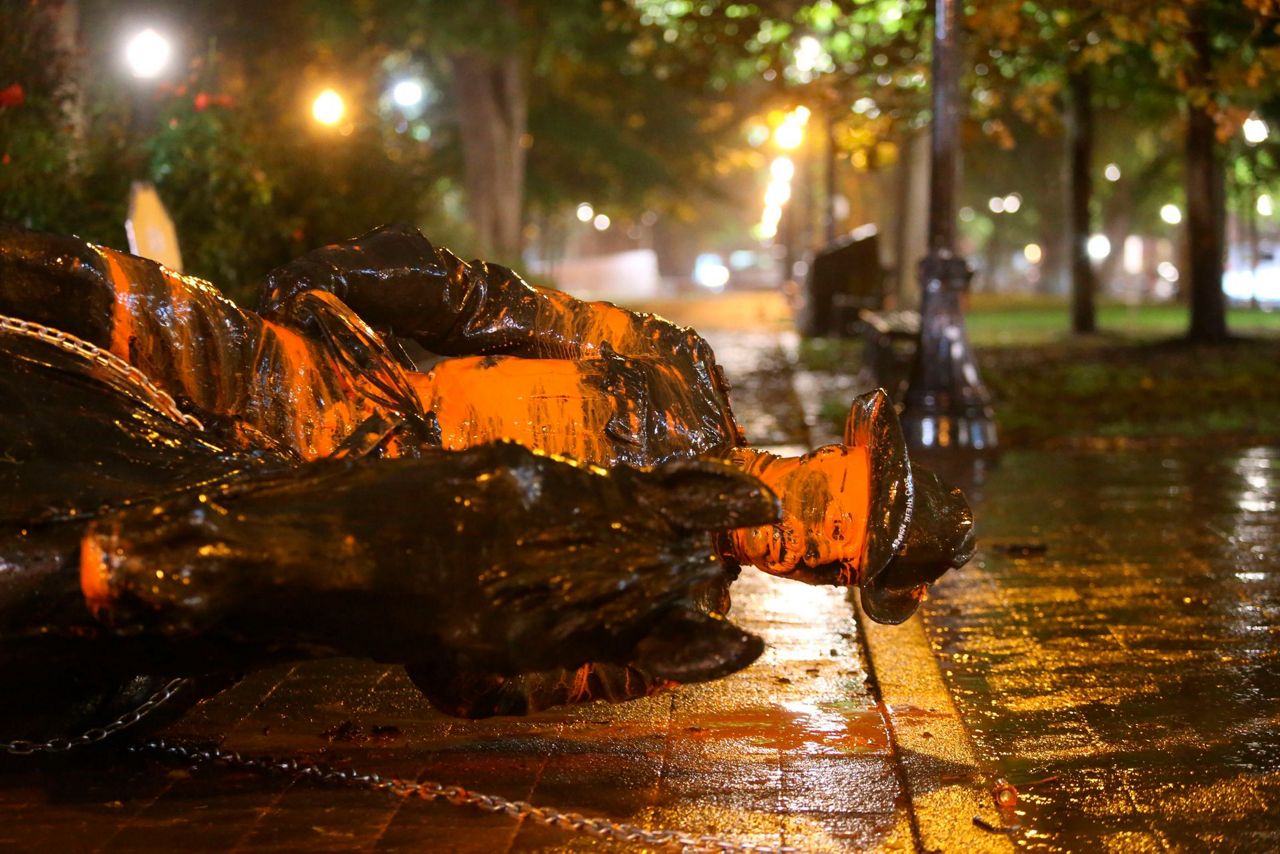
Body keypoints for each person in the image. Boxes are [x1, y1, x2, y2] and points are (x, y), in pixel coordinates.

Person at [0, 224, 971, 744]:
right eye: (839, 506)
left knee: (108, 598)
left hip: (348, 538)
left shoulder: (660, 626)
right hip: (332, 392)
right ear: (834, 457)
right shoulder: (678, 362)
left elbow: (472, 676)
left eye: (832, 552)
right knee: (86, 284)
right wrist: (399, 278)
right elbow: (499, 308)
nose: (808, 538)